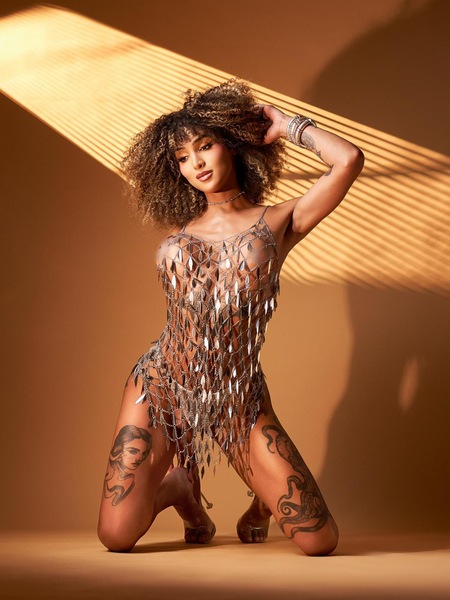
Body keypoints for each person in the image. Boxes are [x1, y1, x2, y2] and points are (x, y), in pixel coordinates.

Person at [97, 79, 364, 556]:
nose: (196, 163)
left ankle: (262, 501)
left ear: (232, 145)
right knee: (116, 536)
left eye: (205, 146)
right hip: (162, 383)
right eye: (182, 157)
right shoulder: (181, 231)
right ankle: (181, 488)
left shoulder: (278, 221)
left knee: (319, 540)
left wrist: (286, 125)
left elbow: (348, 160)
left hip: (235, 395)